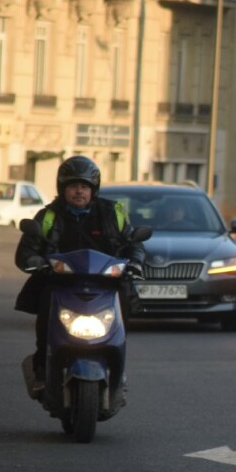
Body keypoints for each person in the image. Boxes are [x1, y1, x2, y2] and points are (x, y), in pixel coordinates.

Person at [14, 156, 146, 389]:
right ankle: (42, 368)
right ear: (62, 188)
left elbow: (133, 242)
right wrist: (37, 262)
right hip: (61, 284)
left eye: (84, 187)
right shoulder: (48, 217)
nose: (79, 192)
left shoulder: (111, 213)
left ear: (93, 190)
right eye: (73, 186)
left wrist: (134, 262)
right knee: (46, 305)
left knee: (123, 310)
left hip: (105, 285)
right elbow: (27, 250)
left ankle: (117, 369)